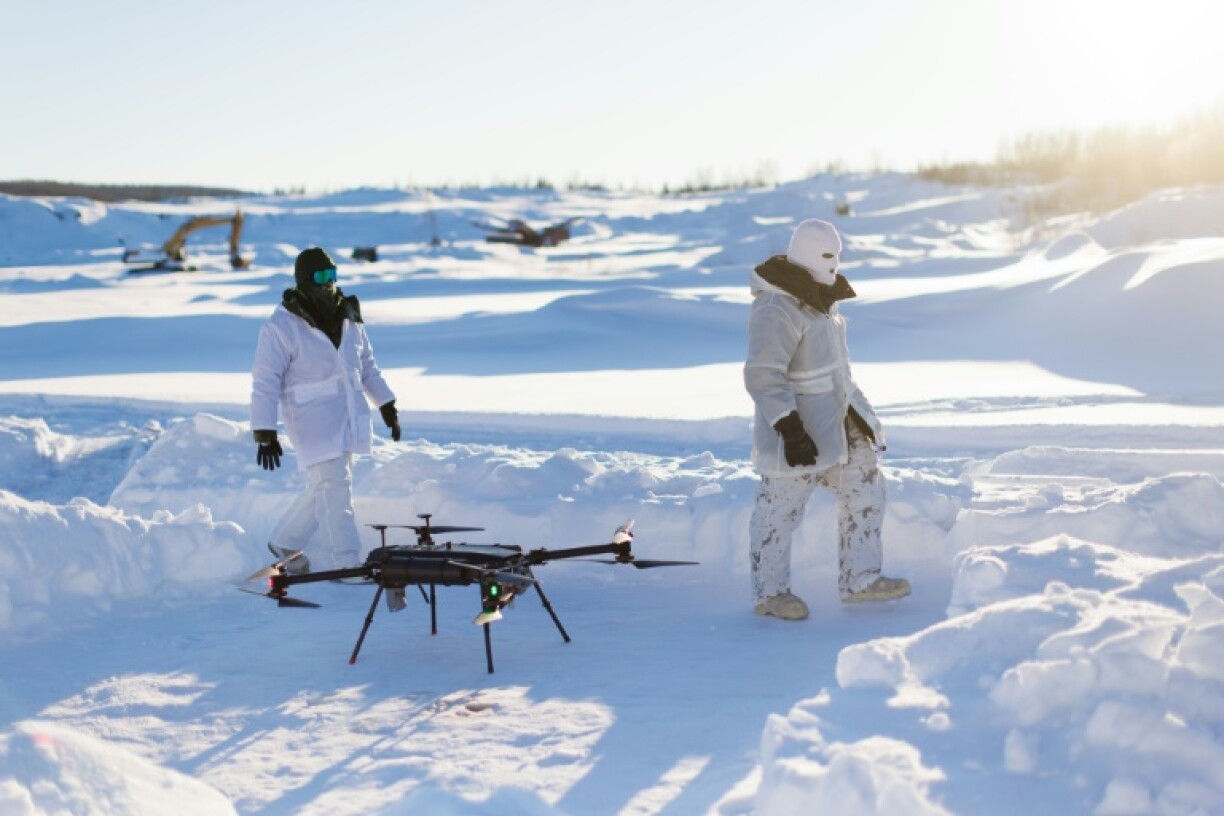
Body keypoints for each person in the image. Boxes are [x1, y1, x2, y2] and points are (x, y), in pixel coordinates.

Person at [743, 219, 910, 620]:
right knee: (779, 511)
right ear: (803, 255)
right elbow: (763, 374)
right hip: (796, 433)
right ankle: (770, 594)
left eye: (837, 254)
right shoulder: (776, 305)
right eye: (825, 255)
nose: (834, 264)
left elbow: (839, 374)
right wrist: (789, 427)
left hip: (838, 424)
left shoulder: (824, 303)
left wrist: (864, 420)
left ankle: (861, 579)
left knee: (867, 488)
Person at [250, 247, 401, 572]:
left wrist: (386, 403)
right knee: (335, 488)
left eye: (333, 275)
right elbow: (266, 380)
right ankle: (345, 563)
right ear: (305, 280)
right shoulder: (282, 325)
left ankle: (285, 542)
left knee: (326, 484)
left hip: (348, 415)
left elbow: (367, 366)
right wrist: (265, 431)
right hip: (311, 419)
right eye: (321, 277)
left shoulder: (349, 315)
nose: (329, 283)